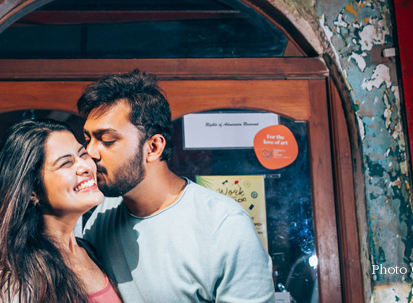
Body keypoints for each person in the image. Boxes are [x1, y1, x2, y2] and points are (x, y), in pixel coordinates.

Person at [78, 70, 275, 303]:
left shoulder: (224, 225)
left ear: (153, 147)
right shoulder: (103, 213)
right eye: (88, 139)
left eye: (107, 140)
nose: (90, 152)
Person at [0, 119, 123, 303]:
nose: (85, 166)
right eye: (66, 163)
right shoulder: (16, 277)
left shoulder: (92, 252)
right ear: (33, 191)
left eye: (82, 154)